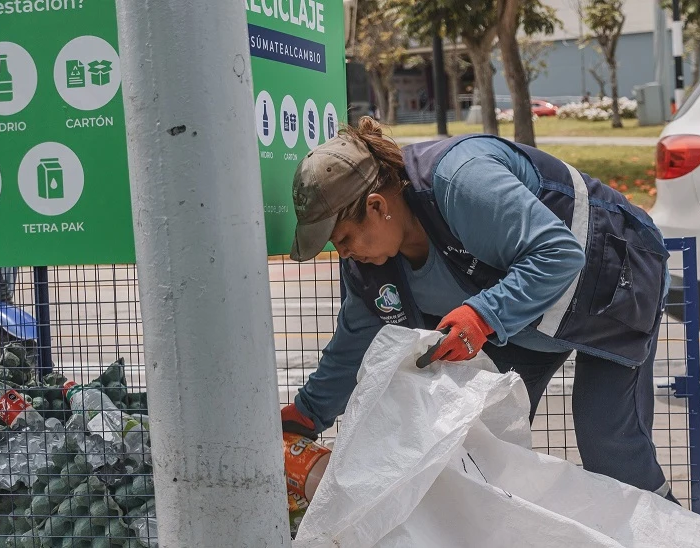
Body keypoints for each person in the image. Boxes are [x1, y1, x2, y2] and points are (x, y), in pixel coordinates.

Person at [281, 117, 676, 502]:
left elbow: (558, 254)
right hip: (528, 324)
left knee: (608, 441)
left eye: (344, 238)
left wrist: (484, 315)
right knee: (475, 449)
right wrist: (307, 414)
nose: (344, 253)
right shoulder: (367, 266)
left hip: (609, 279)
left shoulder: (460, 180)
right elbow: (355, 340)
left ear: (377, 205)